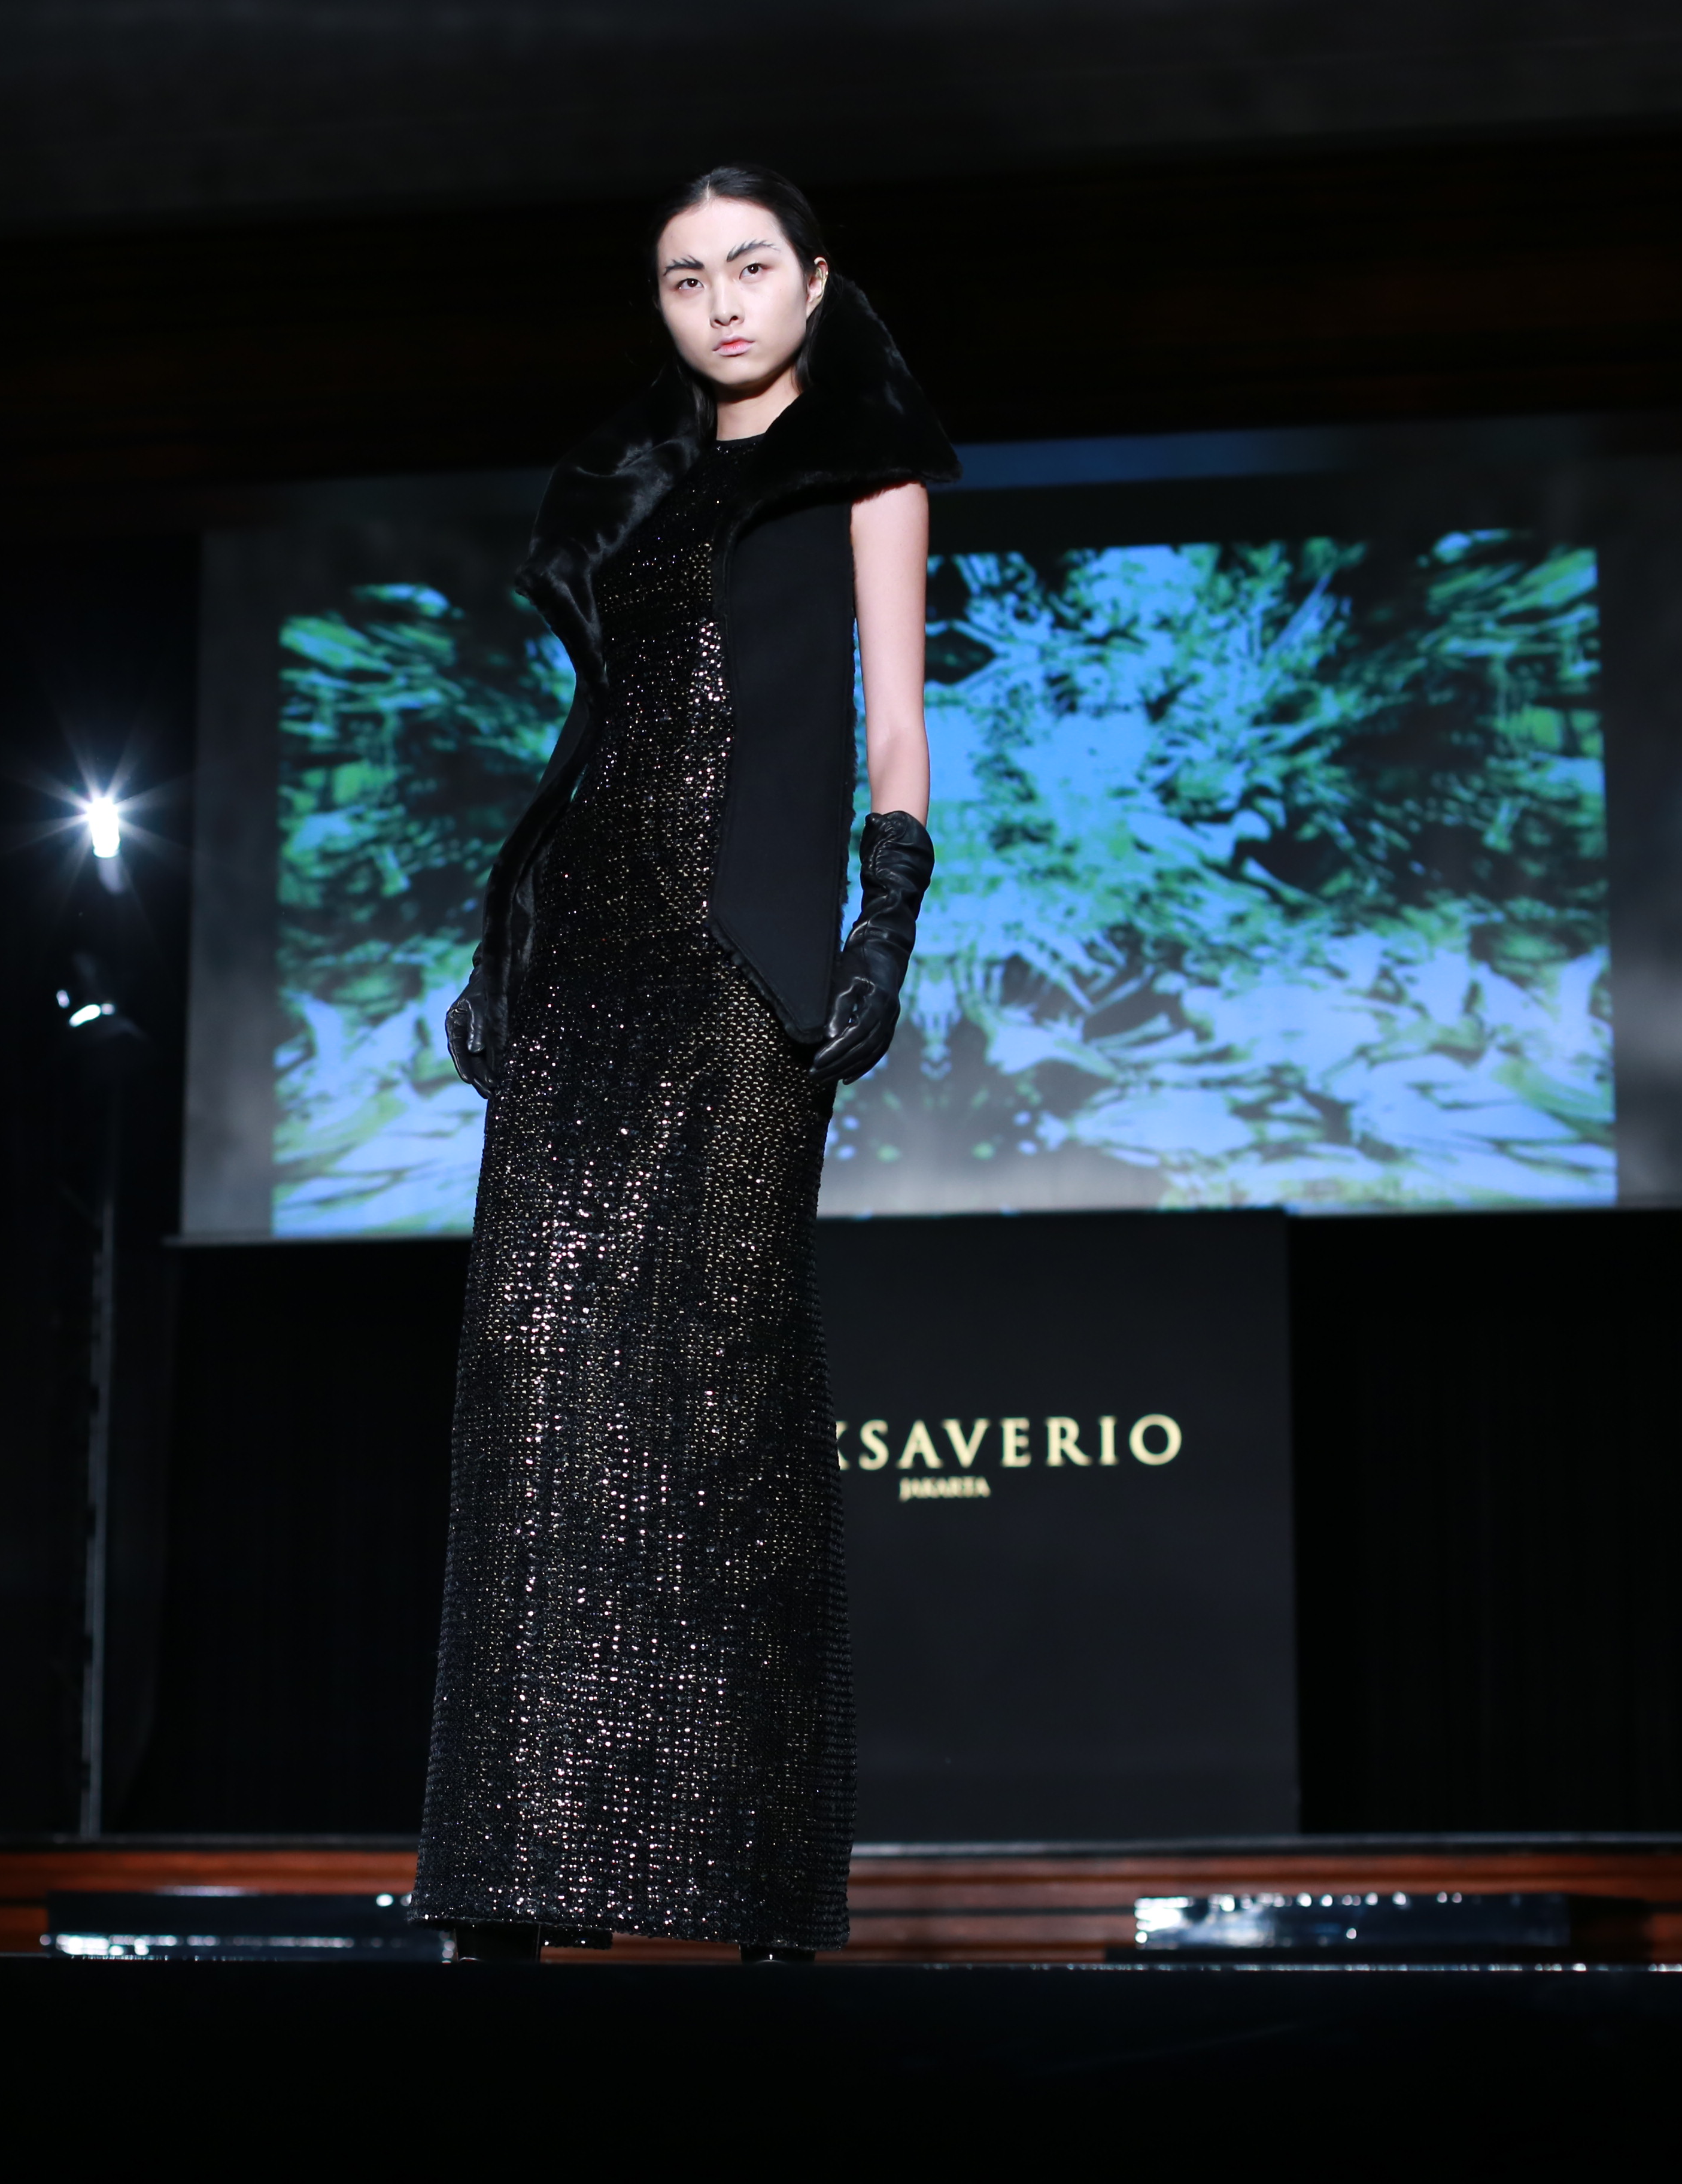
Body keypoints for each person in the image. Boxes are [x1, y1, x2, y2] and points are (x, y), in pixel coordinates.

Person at [416, 163, 958, 1964]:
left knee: (718, 1386)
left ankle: (754, 1882)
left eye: (749, 267)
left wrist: (884, 925)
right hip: (590, 951)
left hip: (745, 957)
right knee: (534, 1367)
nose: (720, 301)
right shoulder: (633, 482)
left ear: (815, 282)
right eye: (682, 277)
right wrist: (507, 946)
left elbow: (897, 724)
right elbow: (591, 732)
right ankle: (521, 1874)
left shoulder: (864, 468)